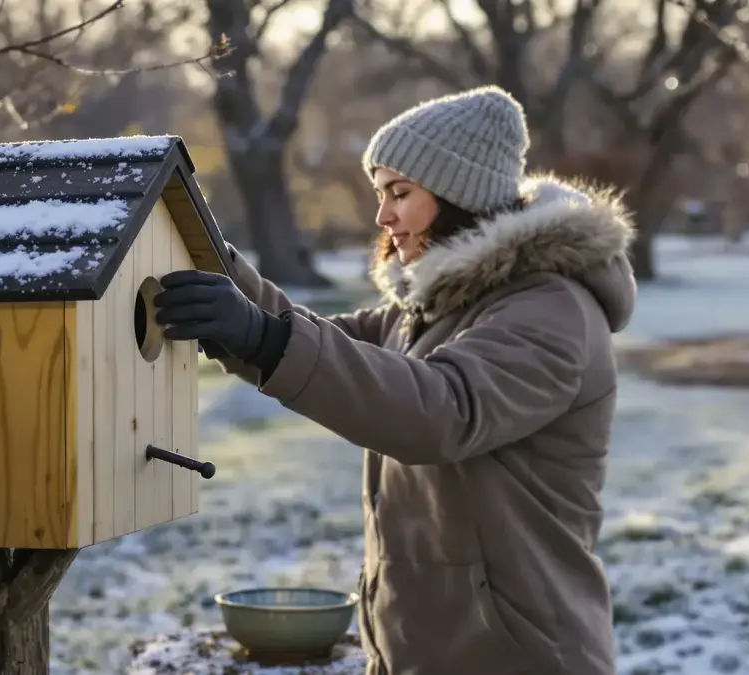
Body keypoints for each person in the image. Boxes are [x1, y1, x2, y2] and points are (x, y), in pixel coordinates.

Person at [154, 85, 636, 675]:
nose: (382, 216)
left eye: (400, 193)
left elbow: (440, 410)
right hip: (429, 652)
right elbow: (323, 342)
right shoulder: (437, 310)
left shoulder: (549, 311)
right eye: (381, 193)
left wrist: (260, 337)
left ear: (461, 196)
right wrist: (212, 258)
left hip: (516, 655)